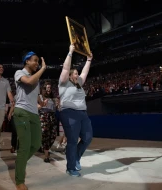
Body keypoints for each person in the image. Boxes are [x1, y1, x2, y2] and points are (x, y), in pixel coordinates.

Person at [13, 51, 47, 190]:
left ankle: (20, 164)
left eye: (38, 61)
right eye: (35, 60)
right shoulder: (19, 73)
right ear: (27, 61)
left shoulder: (36, 78)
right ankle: (19, 180)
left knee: (36, 143)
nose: (37, 63)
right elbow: (29, 82)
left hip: (34, 113)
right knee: (25, 146)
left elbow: (36, 94)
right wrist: (43, 69)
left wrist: (41, 102)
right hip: (22, 112)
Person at [58, 44, 93, 177]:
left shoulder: (79, 83)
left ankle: (76, 158)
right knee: (72, 141)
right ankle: (71, 167)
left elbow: (85, 72)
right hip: (69, 113)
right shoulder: (63, 83)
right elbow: (66, 68)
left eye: (78, 74)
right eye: (75, 73)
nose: (78, 75)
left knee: (88, 137)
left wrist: (89, 60)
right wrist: (70, 53)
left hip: (83, 114)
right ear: (70, 75)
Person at [39, 81, 59, 163]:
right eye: (47, 87)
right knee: (45, 135)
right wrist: (42, 104)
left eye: (50, 87)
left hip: (52, 117)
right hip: (44, 116)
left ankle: (45, 148)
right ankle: (46, 154)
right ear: (43, 88)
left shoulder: (54, 98)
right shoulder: (40, 97)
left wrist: (58, 105)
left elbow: (57, 108)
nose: (49, 89)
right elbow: (37, 107)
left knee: (53, 135)